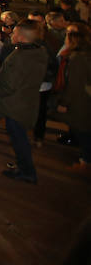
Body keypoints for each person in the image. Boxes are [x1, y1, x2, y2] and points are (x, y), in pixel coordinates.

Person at [0, 21, 48, 184]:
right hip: (27, 100)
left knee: (19, 139)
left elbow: (9, 83)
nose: (11, 35)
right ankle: (24, 166)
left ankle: (27, 171)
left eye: (14, 33)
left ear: (22, 37)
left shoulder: (20, 57)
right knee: (19, 137)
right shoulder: (39, 52)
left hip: (15, 104)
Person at [57, 30, 91, 171]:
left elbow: (74, 84)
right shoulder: (84, 55)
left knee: (83, 130)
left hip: (80, 100)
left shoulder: (77, 58)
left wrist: (64, 102)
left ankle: (86, 161)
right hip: (84, 98)